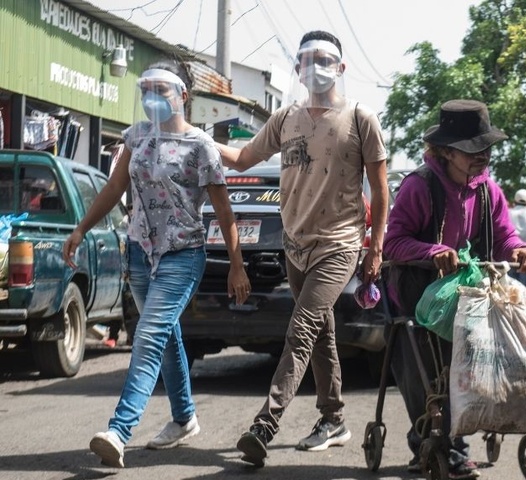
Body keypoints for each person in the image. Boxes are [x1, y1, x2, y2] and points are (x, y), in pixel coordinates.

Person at [62, 60, 251, 468]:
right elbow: (115, 187)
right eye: (146, 89)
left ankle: (119, 430)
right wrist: (80, 229)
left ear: (183, 95)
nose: (152, 98)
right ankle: (184, 419)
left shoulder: (201, 146)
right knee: (163, 336)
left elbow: (223, 210)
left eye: (161, 90)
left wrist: (236, 264)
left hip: (183, 254)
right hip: (140, 253)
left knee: (148, 336)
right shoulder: (137, 136)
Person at [215, 30, 388, 467]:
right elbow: (240, 159)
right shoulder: (285, 119)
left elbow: (382, 190)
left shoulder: (360, 118)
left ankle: (265, 423)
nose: (316, 66)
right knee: (323, 335)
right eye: (307, 59)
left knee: (302, 329)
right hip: (295, 247)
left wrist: (375, 248)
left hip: (340, 244)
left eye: (325, 58)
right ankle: (333, 419)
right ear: (297, 69)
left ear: (341, 67)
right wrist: (194, 139)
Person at [383, 99, 526, 478]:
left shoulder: (489, 191)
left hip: (470, 299)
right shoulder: (419, 187)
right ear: (447, 151)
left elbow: (505, 235)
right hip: (419, 299)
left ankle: (444, 440)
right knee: (428, 374)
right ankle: (443, 444)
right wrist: (432, 251)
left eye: (486, 149)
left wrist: (521, 249)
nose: (482, 156)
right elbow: (394, 243)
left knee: (468, 372)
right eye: (473, 150)